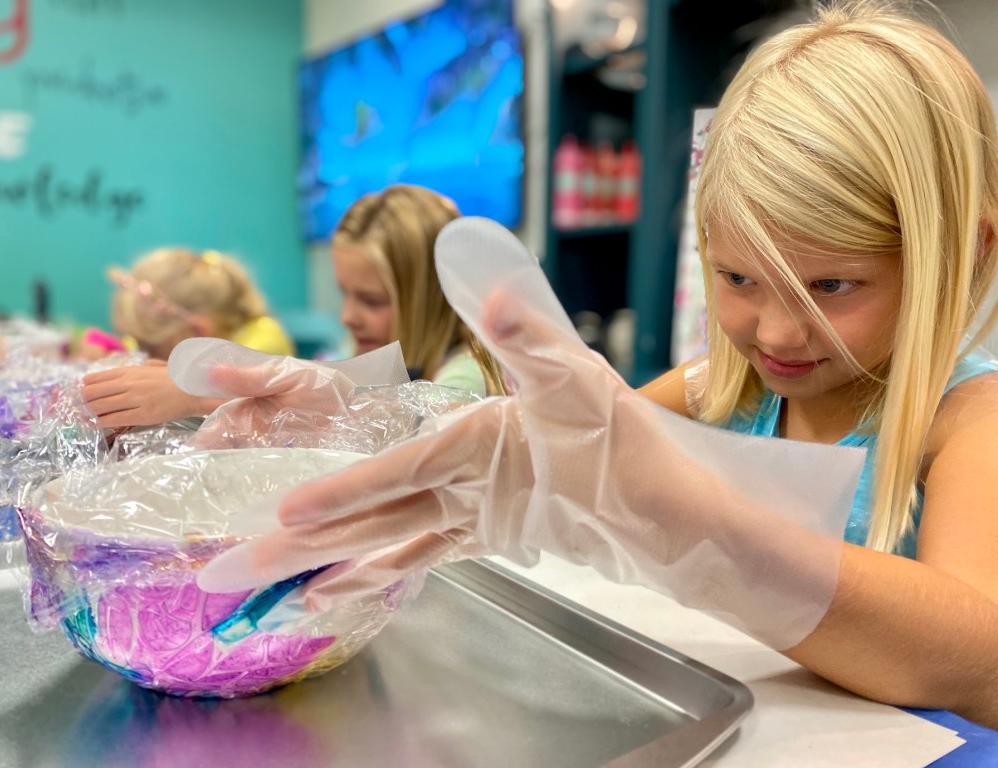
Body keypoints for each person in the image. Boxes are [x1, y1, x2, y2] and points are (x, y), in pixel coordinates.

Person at [181, 0, 998, 727]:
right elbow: (549, 451)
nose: (778, 332)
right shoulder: (719, 390)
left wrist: (690, 521)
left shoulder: (968, 419)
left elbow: (973, 656)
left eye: (833, 284)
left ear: (963, 256)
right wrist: (372, 416)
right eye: (739, 278)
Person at [81, 247, 295, 427]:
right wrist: (107, 350)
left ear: (196, 333)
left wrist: (189, 394)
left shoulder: (264, 341)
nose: (142, 352)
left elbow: (266, 406)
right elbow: (133, 353)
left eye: (148, 346)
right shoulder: (169, 336)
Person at [331, 183, 505, 396]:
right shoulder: (359, 349)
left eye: (371, 301)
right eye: (344, 293)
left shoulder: (462, 383)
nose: (347, 317)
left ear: (432, 301)